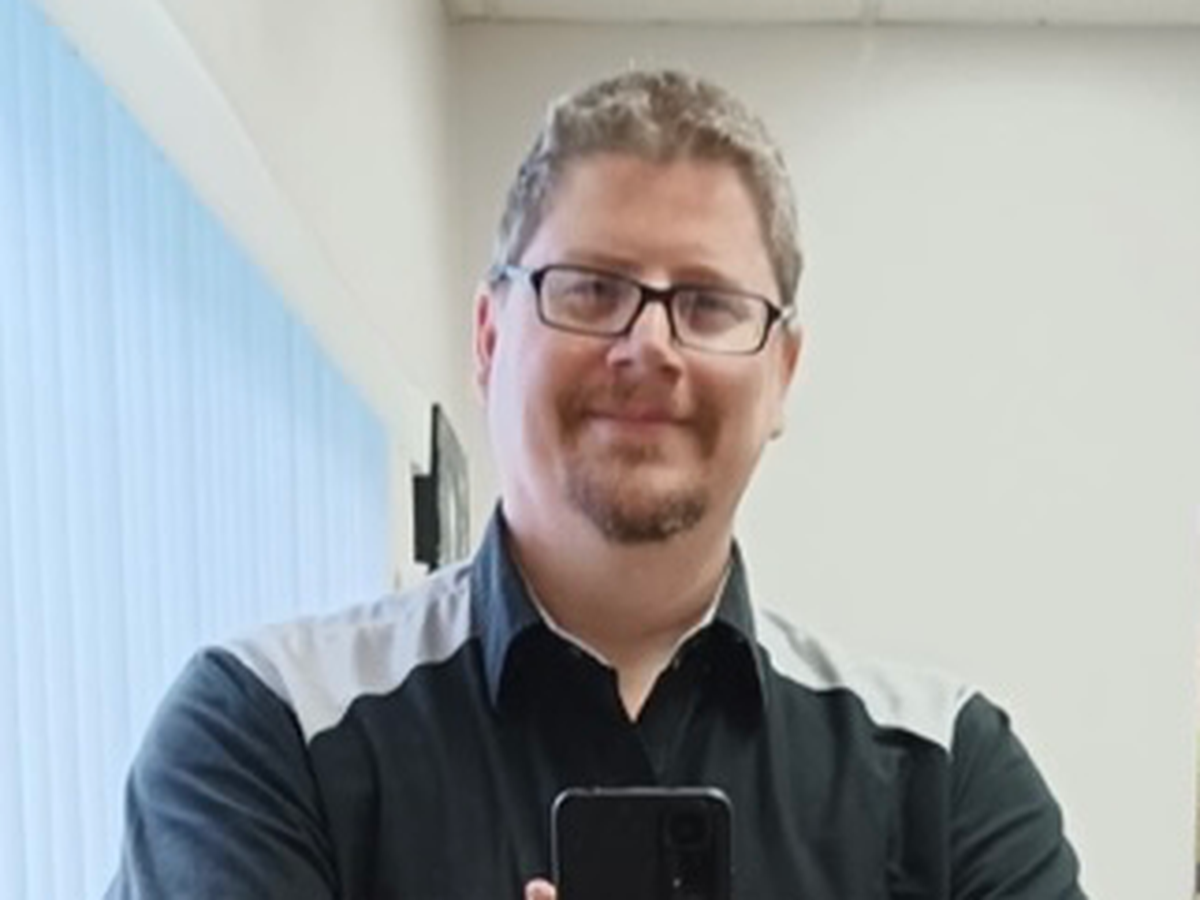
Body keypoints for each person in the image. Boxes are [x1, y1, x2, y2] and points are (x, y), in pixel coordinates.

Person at [106, 69, 1086, 899]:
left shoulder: (943, 776)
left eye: (707, 303)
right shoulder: (265, 735)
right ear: (489, 338)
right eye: (590, 289)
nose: (648, 345)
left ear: (782, 373)